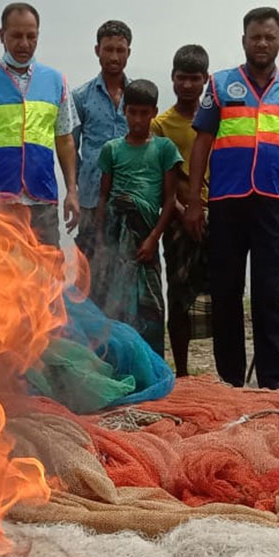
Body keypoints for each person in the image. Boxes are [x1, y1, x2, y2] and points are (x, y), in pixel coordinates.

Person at [184, 7, 279, 389]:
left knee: (269, 293)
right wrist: (195, 201)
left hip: (274, 202)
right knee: (226, 291)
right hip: (227, 201)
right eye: (255, 37)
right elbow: (201, 143)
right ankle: (229, 380)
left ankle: (272, 381)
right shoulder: (220, 83)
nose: (262, 43)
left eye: (269, 37)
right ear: (244, 41)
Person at [0, 3, 80, 247]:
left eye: (31, 36)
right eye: (16, 36)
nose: (24, 44)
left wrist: (72, 191)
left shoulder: (56, 81)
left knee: (46, 275)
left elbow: (65, 141)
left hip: (41, 200)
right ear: (2, 35)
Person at [91, 79, 182, 354]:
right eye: (133, 112)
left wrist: (154, 238)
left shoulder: (165, 149)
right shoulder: (112, 149)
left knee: (150, 305)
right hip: (116, 236)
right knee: (115, 303)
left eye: (144, 113)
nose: (138, 119)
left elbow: (169, 200)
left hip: (146, 236)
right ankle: (119, 363)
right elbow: (104, 197)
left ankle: (151, 361)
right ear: (124, 112)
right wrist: (100, 240)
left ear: (154, 112)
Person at [151, 43, 211, 377]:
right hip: (177, 220)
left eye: (194, 79)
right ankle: (183, 370)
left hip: (217, 215)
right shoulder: (162, 125)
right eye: (181, 78)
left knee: (222, 293)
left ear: (206, 80)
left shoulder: (216, 120)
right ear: (172, 79)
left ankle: (223, 368)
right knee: (179, 294)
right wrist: (182, 210)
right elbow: (164, 181)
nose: (188, 85)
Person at [72, 20, 133, 262]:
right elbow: (70, 147)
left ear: (129, 52)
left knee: (126, 267)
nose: (114, 56)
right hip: (91, 198)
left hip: (130, 197)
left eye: (120, 50)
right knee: (89, 265)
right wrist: (80, 182)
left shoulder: (138, 96)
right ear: (97, 50)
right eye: (108, 49)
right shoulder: (81, 96)